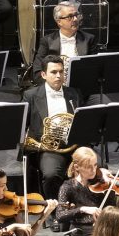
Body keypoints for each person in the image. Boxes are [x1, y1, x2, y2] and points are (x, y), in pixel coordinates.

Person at [24, 57, 82, 196]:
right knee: (51, 174)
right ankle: (54, 210)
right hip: (49, 148)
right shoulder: (30, 95)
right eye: (54, 72)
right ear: (43, 75)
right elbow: (21, 126)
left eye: (61, 72)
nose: (58, 76)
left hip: (73, 144)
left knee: (96, 164)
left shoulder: (74, 93)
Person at [27, 0, 95, 77]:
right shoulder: (47, 41)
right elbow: (37, 71)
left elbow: (94, 69)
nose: (75, 19)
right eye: (70, 16)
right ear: (59, 21)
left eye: (76, 15)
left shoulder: (89, 39)